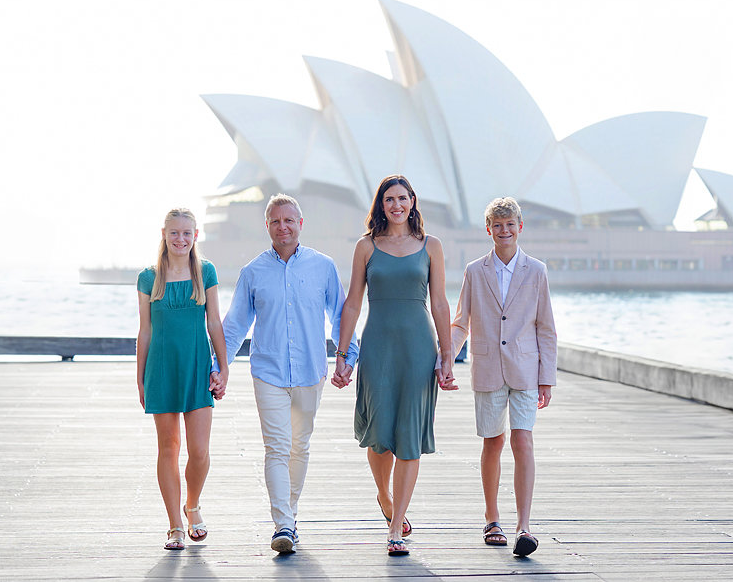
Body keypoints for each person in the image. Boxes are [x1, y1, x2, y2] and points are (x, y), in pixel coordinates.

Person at [210, 193, 358, 554]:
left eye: (289, 220)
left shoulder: (323, 267)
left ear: (300, 224)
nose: (283, 227)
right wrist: (219, 368)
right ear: (267, 226)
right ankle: (284, 524)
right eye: (276, 221)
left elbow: (341, 315)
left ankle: (289, 515)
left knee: (299, 446)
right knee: (276, 447)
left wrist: (348, 356)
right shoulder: (252, 272)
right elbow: (234, 327)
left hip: (311, 370)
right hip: (268, 372)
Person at [331, 174, 458, 557]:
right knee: (378, 433)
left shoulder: (431, 246)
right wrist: (342, 354)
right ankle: (384, 495)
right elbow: (352, 303)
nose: (397, 205)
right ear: (380, 204)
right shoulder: (366, 247)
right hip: (378, 346)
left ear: (413, 202)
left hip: (419, 347)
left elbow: (439, 303)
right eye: (389, 199)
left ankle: (395, 526)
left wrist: (447, 352)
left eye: (403, 198)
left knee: (409, 434)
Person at [450, 197, 557, 557]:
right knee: (493, 442)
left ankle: (524, 525)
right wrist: (446, 358)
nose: (505, 230)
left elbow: (546, 328)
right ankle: (492, 517)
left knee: (523, 441)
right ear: (488, 229)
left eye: (510, 224)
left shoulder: (537, 270)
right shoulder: (474, 271)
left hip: (526, 369)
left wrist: (547, 377)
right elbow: (460, 321)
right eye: (498, 225)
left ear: (520, 227)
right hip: (488, 368)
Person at [136, 208, 229, 551]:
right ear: (164, 234)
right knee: (168, 448)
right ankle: (175, 524)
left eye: (186, 233)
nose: (180, 239)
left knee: (200, 451)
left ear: (196, 235)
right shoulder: (149, 277)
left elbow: (215, 323)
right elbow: (144, 331)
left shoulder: (205, 272)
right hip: (161, 368)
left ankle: (192, 504)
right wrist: (140, 378)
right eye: (174, 233)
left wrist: (223, 366)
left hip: (197, 366)